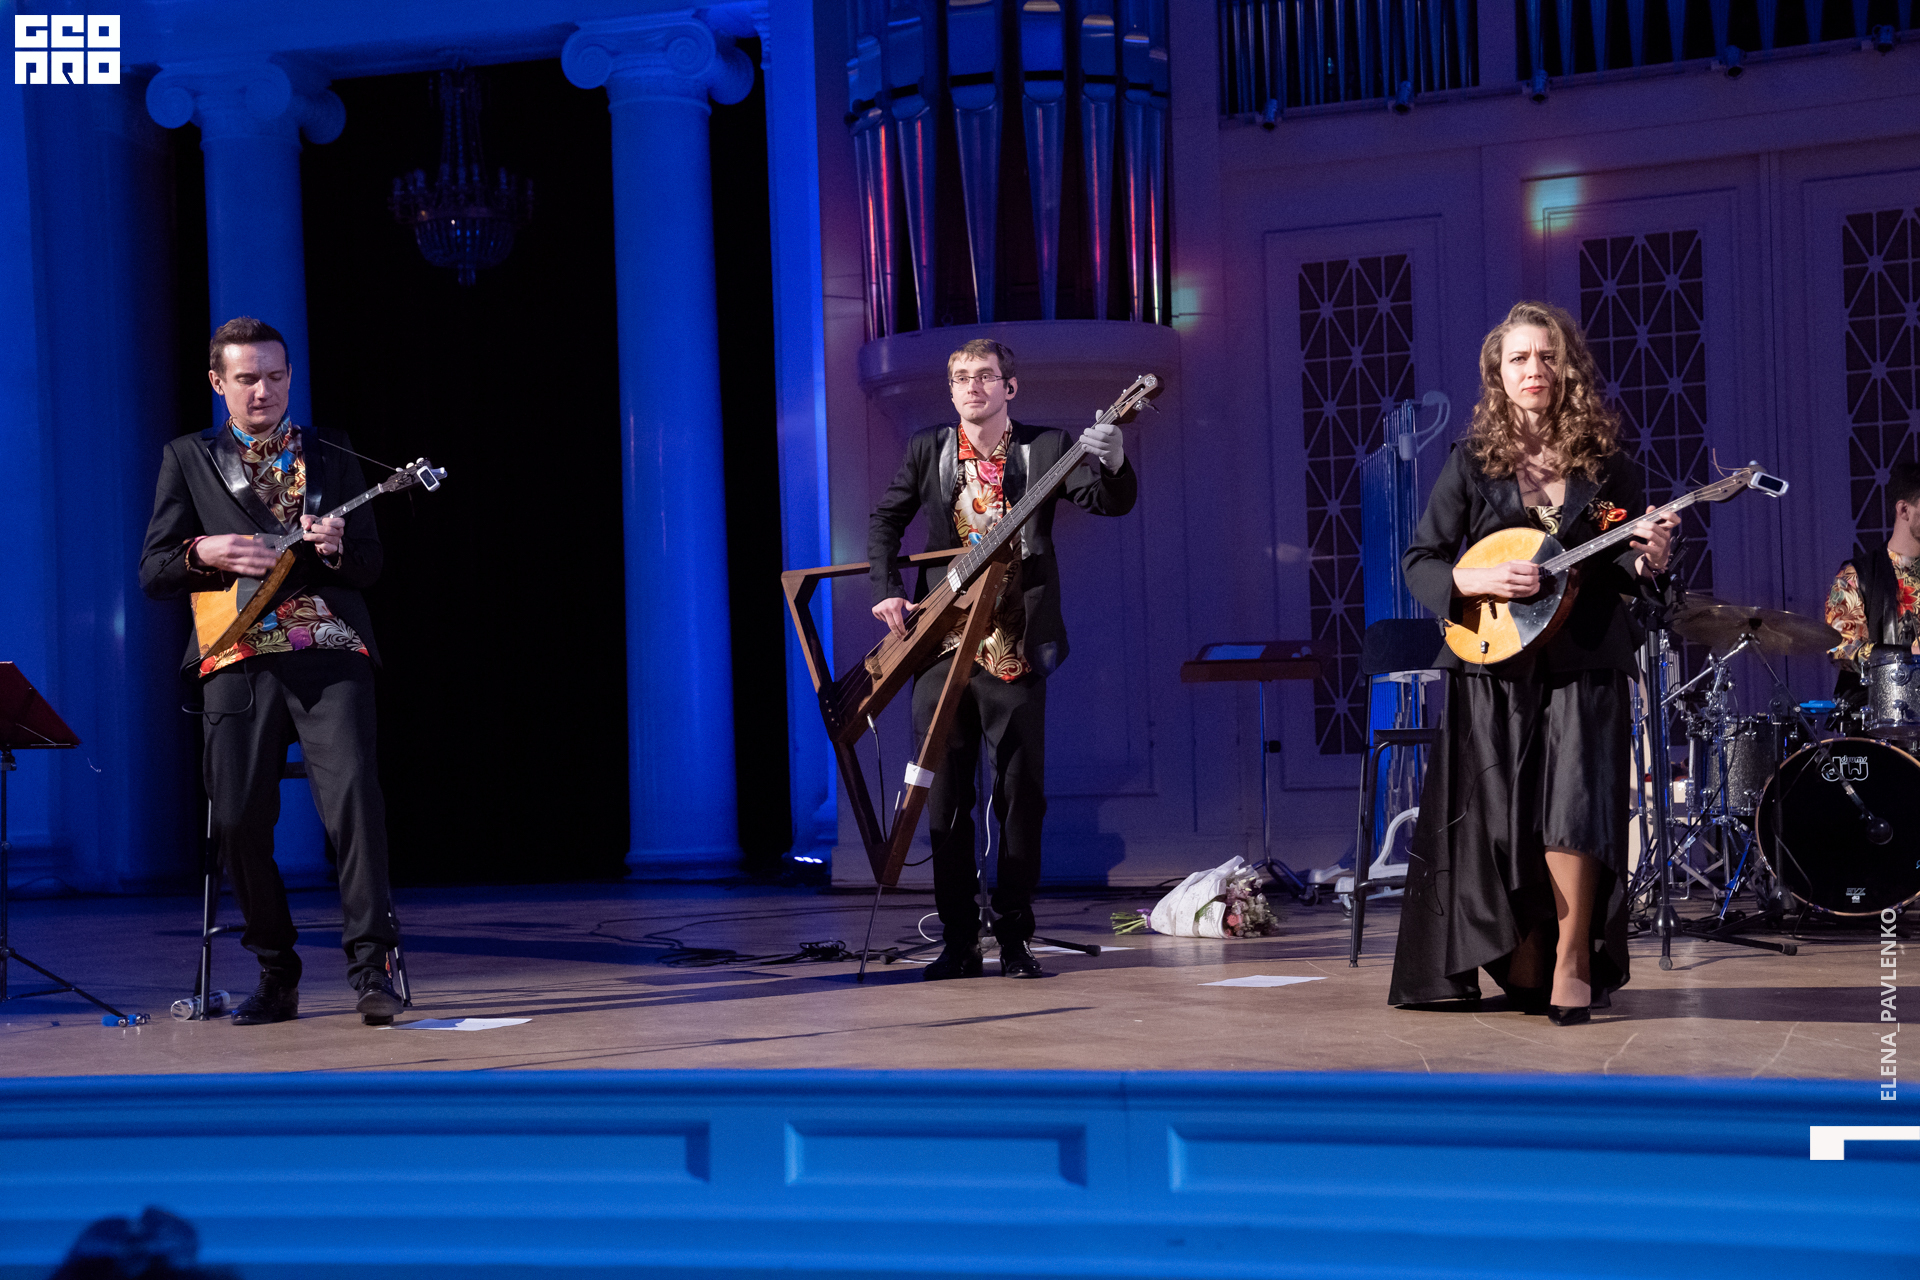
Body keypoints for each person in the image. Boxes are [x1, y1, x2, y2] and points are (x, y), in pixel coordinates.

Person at [1388, 301, 1676, 1025]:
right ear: (1499, 374)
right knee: (1502, 821)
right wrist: (1477, 578)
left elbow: (1620, 561)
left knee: (1576, 807)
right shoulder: (1471, 462)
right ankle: (1526, 950)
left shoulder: (1605, 469)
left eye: (1548, 356)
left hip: (1587, 657)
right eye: (1519, 358)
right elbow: (1421, 560)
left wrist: (1650, 561)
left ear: (1568, 369)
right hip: (1494, 667)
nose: (1534, 370)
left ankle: (1573, 960)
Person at [139, 316, 403, 1026]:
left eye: (277, 376)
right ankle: (277, 970)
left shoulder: (331, 450)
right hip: (238, 651)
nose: (264, 391)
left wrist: (339, 549)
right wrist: (206, 552)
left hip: (329, 644)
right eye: (248, 378)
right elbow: (154, 571)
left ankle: (372, 970)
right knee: (236, 816)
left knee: (355, 801)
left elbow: (370, 566)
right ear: (217, 382)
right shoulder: (189, 456)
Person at [868, 339, 1135, 980]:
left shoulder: (1045, 447)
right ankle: (959, 941)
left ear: (1009, 388)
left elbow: (1109, 501)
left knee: (1020, 799)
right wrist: (888, 590)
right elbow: (884, 521)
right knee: (943, 798)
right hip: (940, 646)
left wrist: (1115, 461)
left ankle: (1014, 938)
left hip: (1015, 647)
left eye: (985, 376)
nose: (972, 386)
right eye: (961, 377)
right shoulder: (930, 449)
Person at [1824, 460, 1920, 713]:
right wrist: (1909, 654)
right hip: (1882, 712)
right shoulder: (1854, 575)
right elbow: (1842, 648)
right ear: (1904, 510)